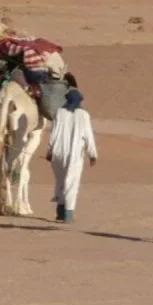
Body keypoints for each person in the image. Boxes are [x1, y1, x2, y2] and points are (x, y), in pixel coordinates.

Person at [46, 76, 98, 223]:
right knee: (71, 183)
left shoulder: (59, 113)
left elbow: (53, 133)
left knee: (60, 181)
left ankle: (60, 212)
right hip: (74, 154)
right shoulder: (83, 115)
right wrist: (92, 154)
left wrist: (49, 151)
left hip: (57, 152)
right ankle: (68, 214)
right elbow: (88, 136)